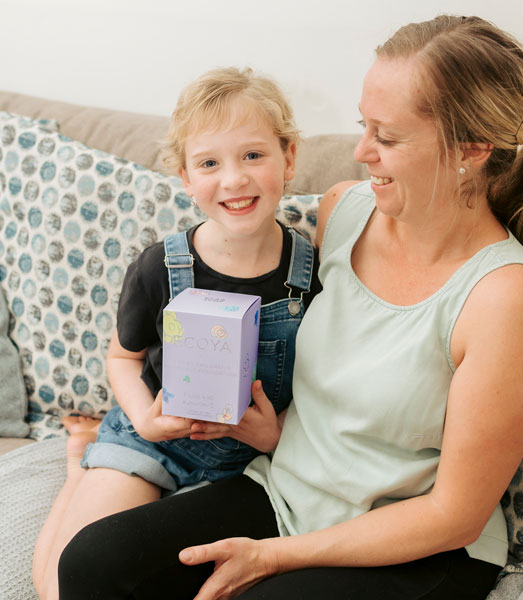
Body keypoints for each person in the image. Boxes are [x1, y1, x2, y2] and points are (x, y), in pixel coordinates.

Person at [57, 15, 523, 600]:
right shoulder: (344, 212)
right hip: (285, 494)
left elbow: (455, 515)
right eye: (364, 125)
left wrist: (275, 557)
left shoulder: (505, 299)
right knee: (91, 564)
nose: (361, 151)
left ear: (472, 150)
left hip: (417, 547)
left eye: (388, 136)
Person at [32, 67, 321, 600]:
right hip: (151, 440)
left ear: (289, 157)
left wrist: (276, 436)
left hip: (255, 465)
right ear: (186, 178)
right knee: (59, 588)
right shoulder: (160, 267)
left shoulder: (316, 272)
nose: (233, 180)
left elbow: (327, 389)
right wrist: (145, 417)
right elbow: (123, 357)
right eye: (210, 163)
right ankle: (80, 468)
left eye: (253, 155)